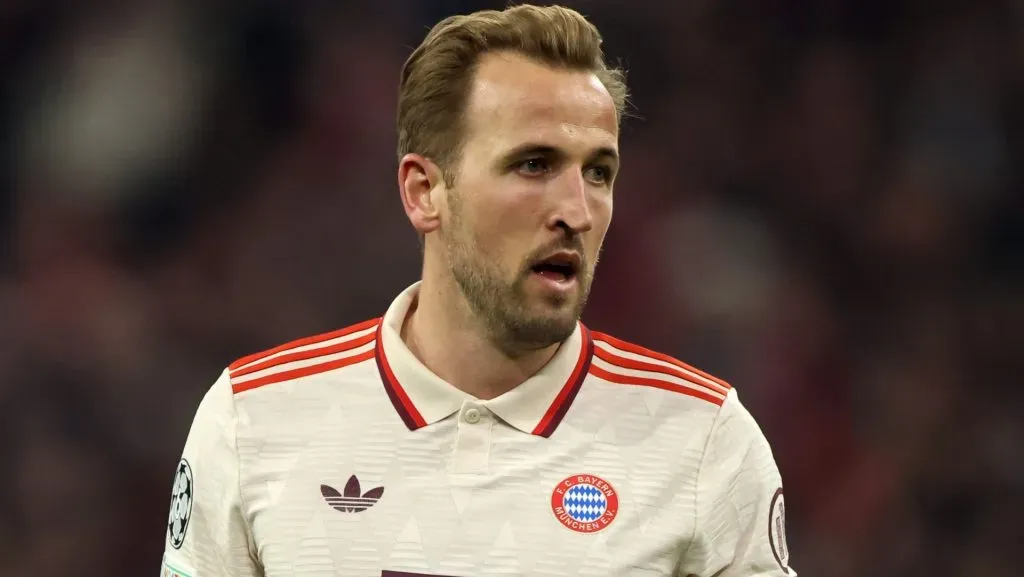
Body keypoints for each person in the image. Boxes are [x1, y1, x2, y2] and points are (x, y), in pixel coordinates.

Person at [160, 4, 796, 576]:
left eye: (598, 172)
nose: (576, 209)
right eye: (534, 164)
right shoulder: (253, 420)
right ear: (423, 192)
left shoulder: (704, 442)